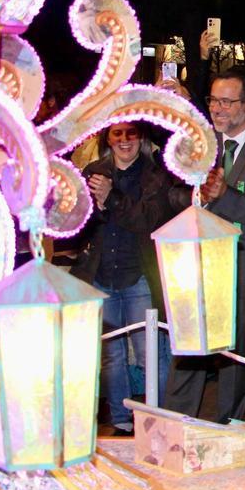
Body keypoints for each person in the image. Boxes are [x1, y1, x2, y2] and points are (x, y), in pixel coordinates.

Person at [163, 71, 245, 421]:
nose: (217, 109)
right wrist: (193, 195)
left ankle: (227, 433)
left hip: (242, 268)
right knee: (187, 355)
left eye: (226, 101)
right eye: (213, 101)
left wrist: (224, 195)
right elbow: (171, 191)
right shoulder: (199, 143)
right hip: (195, 266)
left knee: (234, 363)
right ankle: (176, 428)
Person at [74, 122, 179, 436]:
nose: (124, 140)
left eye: (131, 133)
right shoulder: (92, 171)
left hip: (140, 277)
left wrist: (112, 198)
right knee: (111, 354)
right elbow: (78, 222)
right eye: (117, 133)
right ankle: (121, 420)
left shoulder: (155, 175)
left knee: (151, 353)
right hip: (101, 275)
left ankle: (156, 421)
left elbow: (150, 220)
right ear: (108, 137)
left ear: (141, 137)